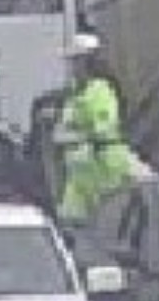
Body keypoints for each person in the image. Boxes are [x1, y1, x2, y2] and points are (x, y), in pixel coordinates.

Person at [57, 35, 147, 227]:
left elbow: (103, 130)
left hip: (105, 169)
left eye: (75, 61)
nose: (72, 67)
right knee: (70, 225)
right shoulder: (75, 93)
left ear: (87, 62)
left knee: (108, 221)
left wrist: (75, 135)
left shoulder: (100, 91)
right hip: (79, 175)